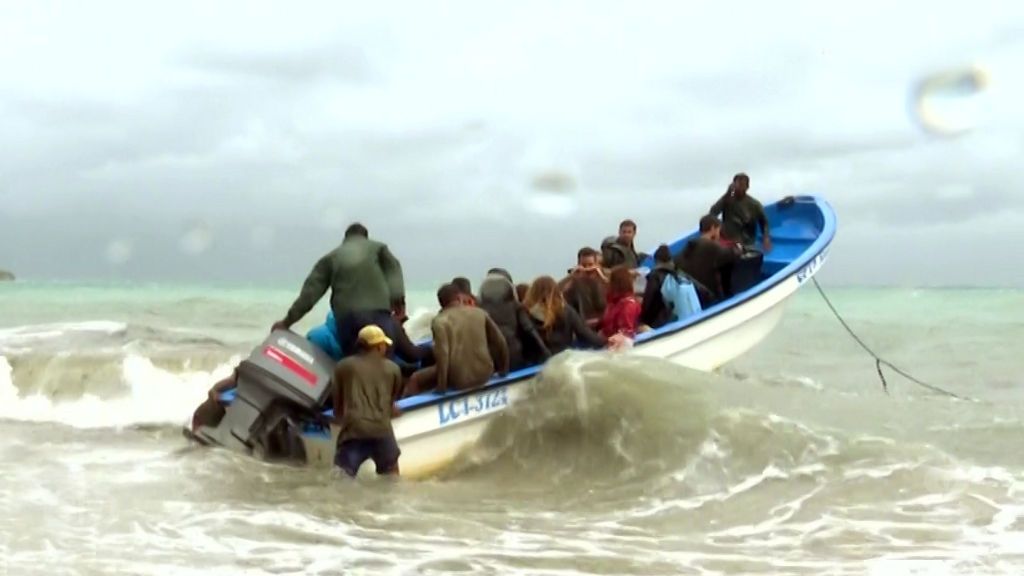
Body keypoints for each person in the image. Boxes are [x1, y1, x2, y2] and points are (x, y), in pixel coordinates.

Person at [271, 223, 406, 357]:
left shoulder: (331, 258)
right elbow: (394, 270)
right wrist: (399, 302)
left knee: (354, 359)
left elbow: (310, 294)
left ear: (345, 238)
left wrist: (287, 322)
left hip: (347, 318)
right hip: (378, 314)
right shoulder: (379, 248)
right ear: (365, 237)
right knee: (384, 357)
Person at [404, 283, 509, 397]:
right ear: (459, 298)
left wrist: (441, 388)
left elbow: (443, 356)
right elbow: (500, 342)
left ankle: (410, 410)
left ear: (441, 303)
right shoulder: (480, 313)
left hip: (459, 381)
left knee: (415, 379)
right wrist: (503, 371)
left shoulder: (439, 321)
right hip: (485, 374)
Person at [332, 324, 404, 478]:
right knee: (392, 477)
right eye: (384, 345)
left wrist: (339, 421)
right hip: (382, 430)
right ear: (378, 347)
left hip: (354, 432)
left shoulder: (343, 367)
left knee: (341, 480)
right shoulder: (393, 369)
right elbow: (391, 403)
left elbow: (337, 408)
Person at [478, 268, 551, 371]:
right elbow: (529, 329)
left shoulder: (478, 310)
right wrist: (546, 353)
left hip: (488, 357)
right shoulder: (516, 306)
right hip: (513, 355)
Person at [522, 276, 609, 359]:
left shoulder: (525, 313)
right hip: (562, 361)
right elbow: (587, 335)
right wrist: (607, 342)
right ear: (556, 290)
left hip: (534, 366)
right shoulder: (566, 311)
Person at [675, 215, 743, 308]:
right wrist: (738, 247)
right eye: (718, 230)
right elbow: (731, 254)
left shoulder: (689, 247)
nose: (719, 234)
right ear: (713, 228)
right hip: (710, 298)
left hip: (694, 297)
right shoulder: (710, 246)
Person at [709, 173, 772, 251]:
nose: (739, 188)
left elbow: (764, 222)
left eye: (742, 185)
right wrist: (728, 194)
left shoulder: (754, 204)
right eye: (737, 185)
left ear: (747, 187)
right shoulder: (727, 200)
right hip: (728, 240)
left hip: (746, 242)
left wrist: (766, 237)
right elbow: (713, 212)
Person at [559, 247, 608, 330]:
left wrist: (602, 279)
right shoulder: (575, 280)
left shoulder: (605, 276)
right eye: (584, 265)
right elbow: (555, 293)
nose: (587, 268)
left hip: (608, 321)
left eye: (590, 265)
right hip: (587, 325)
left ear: (596, 264)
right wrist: (571, 277)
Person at [640, 245, 677, 329]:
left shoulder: (654, 277)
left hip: (662, 321)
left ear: (656, 261)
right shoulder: (677, 273)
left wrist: (642, 320)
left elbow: (648, 302)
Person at [601, 266, 642, 339]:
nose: (607, 282)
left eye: (610, 280)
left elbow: (626, 333)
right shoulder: (614, 302)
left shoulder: (628, 305)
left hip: (615, 342)